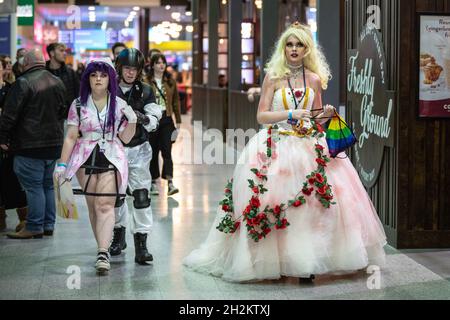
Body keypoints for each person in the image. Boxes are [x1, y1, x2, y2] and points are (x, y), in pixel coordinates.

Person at [183, 22, 387, 283]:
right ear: (283, 48)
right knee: (274, 200)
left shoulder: (314, 78)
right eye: (289, 44)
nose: (293, 49)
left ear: (306, 49)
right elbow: (262, 115)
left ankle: (308, 262)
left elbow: (314, 118)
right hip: (276, 143)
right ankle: (275, 261)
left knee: (314, 206)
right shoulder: (273, 76)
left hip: (309, 144)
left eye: (299, 44)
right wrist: (289, 114)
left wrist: (323, 115)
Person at [54, 58, 137, 274]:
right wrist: (62, 164)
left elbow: (126, 138)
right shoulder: (78, 104)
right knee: (93, 206)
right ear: (87, 78)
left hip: (112, 155)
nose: (98, 79)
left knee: (104, 205)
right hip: (84, 157)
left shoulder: (119, 104)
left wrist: (133, 120)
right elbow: (71, 136)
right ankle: (102, 246)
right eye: (93, 75)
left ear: (110, 78)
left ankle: (103, 252)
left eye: (102, 75)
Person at [0, 49, 67, 239]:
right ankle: (48, 224)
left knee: (33, 187)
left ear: (26, 63)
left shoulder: (22, 83)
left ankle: (34, 226)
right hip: (54, 145)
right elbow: (64, 111)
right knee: (47, 186)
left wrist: (3, 138)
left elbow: (9, 116)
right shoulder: (58, 81)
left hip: (29, 145)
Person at [111, 48, 162, 264]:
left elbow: (154, 119)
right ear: (119, 68)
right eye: (127, 68)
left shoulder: (146, 90)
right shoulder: (109, 88)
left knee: (141, 196)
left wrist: (143, 118)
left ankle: (141, 244)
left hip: (140, 149)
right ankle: (118, 234)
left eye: (135, 69)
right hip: (114, 149)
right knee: (116, 196)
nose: (130, 73)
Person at [146, 53, 181, 196]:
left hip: (166, 120)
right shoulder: (146, 81)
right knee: (153, 152)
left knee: (167, 151)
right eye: (158, 62)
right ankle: (153, 182)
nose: (161, 65)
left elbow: (176, 103)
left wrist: (178, 123)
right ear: (152, 65)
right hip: (152, 119)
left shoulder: (170, 82)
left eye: (163, 62)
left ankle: (170, 182)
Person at [0, 61, 28, 232]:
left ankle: (24, 218)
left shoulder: (11, 89)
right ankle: (1, 219)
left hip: (9, 141)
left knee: (13, 180)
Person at [46, 43, 80, 117]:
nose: (64, 53)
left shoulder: (70, 73)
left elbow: (78, 94)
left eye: (65, 51)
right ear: (52, 53)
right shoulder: (43, 73)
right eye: (61, 51)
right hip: (48, 117)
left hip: (67, 117)